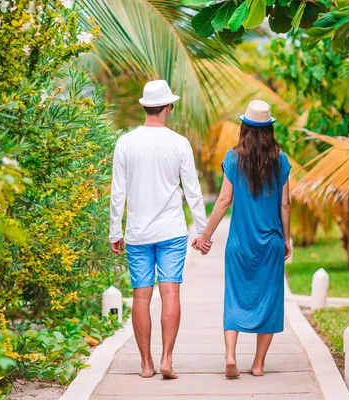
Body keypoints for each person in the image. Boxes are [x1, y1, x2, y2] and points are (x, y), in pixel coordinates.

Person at [109, 80, 209, 379]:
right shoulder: (179, 143)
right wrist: (203, 232)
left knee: (141, 296)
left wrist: (116, 231)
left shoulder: (125, 142)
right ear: (169, 107)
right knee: (170, 292)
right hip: (172, 232)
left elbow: (117, 192)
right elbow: (193, 191)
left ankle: (145, 364)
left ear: (144, 107)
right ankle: (167, 359)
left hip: (138, 232)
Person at [193, 99, 292, 379]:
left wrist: (205, 236)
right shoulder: (281, 161)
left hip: (240, 244)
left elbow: (224, 200)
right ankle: (258, 365)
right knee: (270, 301)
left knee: (234, 297)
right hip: (271, 242)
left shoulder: (234, 158)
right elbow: (285, 205)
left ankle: (230, 356)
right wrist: (286, 239)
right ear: (269, 129)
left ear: (244, 127)